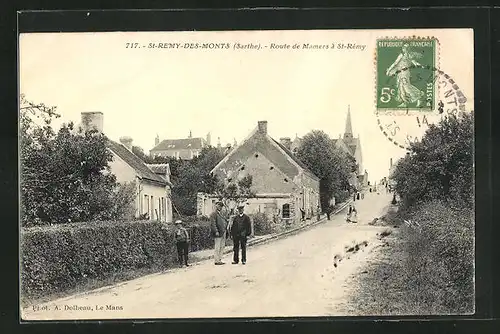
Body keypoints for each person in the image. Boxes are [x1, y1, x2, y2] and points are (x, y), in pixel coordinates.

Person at [210, 201, 228, 265]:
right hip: (218, 232)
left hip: (223, 232)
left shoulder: (221, 213)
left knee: (222, 246)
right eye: (218, 205)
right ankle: (216, 260)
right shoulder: (213, 214)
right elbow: (213, 224)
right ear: (216, 206)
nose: (220, 207)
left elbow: (224, 221)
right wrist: (216, 231)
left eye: (221, 206)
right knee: (217, 246)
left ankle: (220, 259)